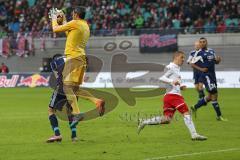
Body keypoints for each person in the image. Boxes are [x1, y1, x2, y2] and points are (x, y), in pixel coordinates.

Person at [46, 7, 105, 143]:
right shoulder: (85, 26)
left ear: (76, 14)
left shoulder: (75, 23)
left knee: (66, 87)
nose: (71, 15)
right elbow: (69, 34)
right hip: (82, 59)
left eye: (73, 14)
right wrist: (64, 21)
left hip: (73, 58)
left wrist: (55, 19)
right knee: (75, 89)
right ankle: (97, 101)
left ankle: (77, 114)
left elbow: (55, 29)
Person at [137, 51, 207, 141]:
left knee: (167, 119)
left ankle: (144, 122)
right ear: (176, 57)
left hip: (169, 96)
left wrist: (180, 86)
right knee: (186, 112)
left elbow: (173, 81)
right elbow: (160, 77)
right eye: (182, 57)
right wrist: (172, 81)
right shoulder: (170, 67)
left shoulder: (176, 68)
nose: (183, 59)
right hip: (173, 96)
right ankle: (194, 134)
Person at [190, 37, 227, 121]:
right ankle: (219, 116)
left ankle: (195, 107)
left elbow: (215, 62)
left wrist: (218, 60)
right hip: (206, 76)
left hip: (213, 75)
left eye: (204, 42)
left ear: (206, 42)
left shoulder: (211, 51)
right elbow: (192, 64)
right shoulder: (198, 53)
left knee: (210, 97)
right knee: (214, 95)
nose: (202, 43)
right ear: (199, 44)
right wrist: (201, 69)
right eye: (201, 42)